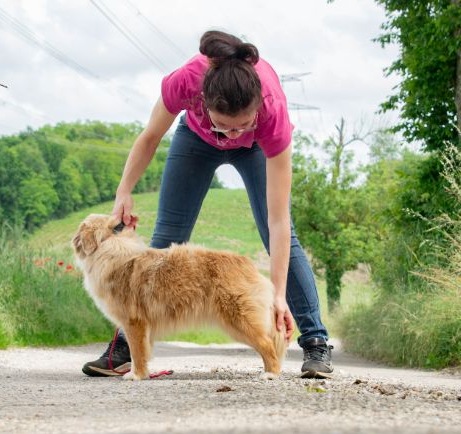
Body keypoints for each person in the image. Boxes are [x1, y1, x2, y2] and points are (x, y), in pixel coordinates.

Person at [82, 29, 334, 379]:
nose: (231, 136)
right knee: (166, 235)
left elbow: (278, 222)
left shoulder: (273, 116)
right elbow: (150, 136)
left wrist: (277, 295)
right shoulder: (184, 82)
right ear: (203, 101)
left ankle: (315, 341)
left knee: (282, 236)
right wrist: (124, 190)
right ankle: (127, 345)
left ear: (258, 108)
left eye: (241, 125)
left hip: (256, 150)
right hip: (196, 141)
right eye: (224, 127)